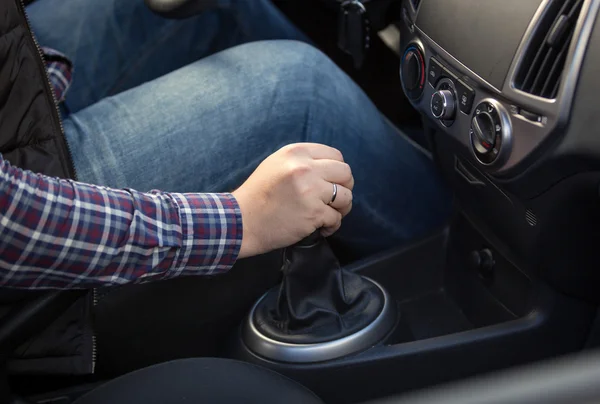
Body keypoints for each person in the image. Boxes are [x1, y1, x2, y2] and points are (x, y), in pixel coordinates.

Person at [0, 0, 450, 377]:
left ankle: (383, 132)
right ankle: (456, 242)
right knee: (303, 90)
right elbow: (9, 223)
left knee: (210, 7)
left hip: (19, 81)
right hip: (25, 183)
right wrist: (242, 221)